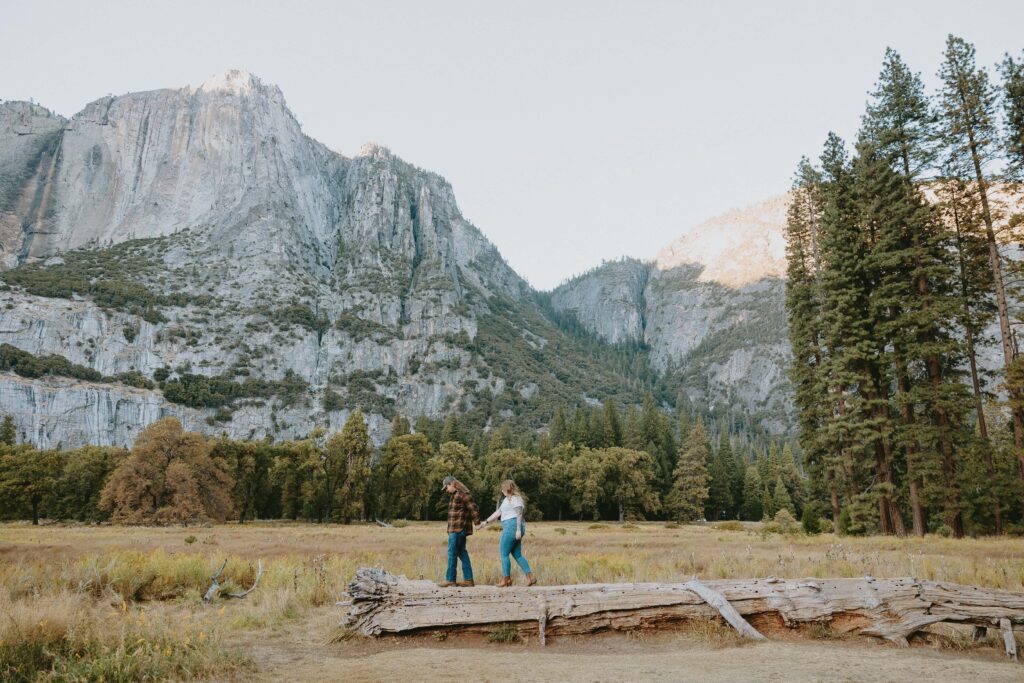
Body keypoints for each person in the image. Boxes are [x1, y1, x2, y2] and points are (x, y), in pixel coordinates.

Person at [476, 479, 536, 587]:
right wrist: (485, 522)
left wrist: (518, 530)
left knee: (504, 554)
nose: (502, 491)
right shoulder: (506, 500)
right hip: (512, 526)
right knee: (517, 554)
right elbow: (498, 512)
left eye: (502, 489)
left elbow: (519, 514)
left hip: (512, 526)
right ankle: (530, 577)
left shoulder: (515, 499)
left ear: (505, 489)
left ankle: (507, 580)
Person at [440, 475, 479, 588]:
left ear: (452, 484)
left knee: (452, 553)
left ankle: (450, 580)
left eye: (446, 487)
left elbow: (473, 509)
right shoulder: (454, 495)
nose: (446, 490)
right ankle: (469, 580)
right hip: (455, 529)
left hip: (458, 529)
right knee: (462, 552)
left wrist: (477, 523)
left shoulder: (462, 495)